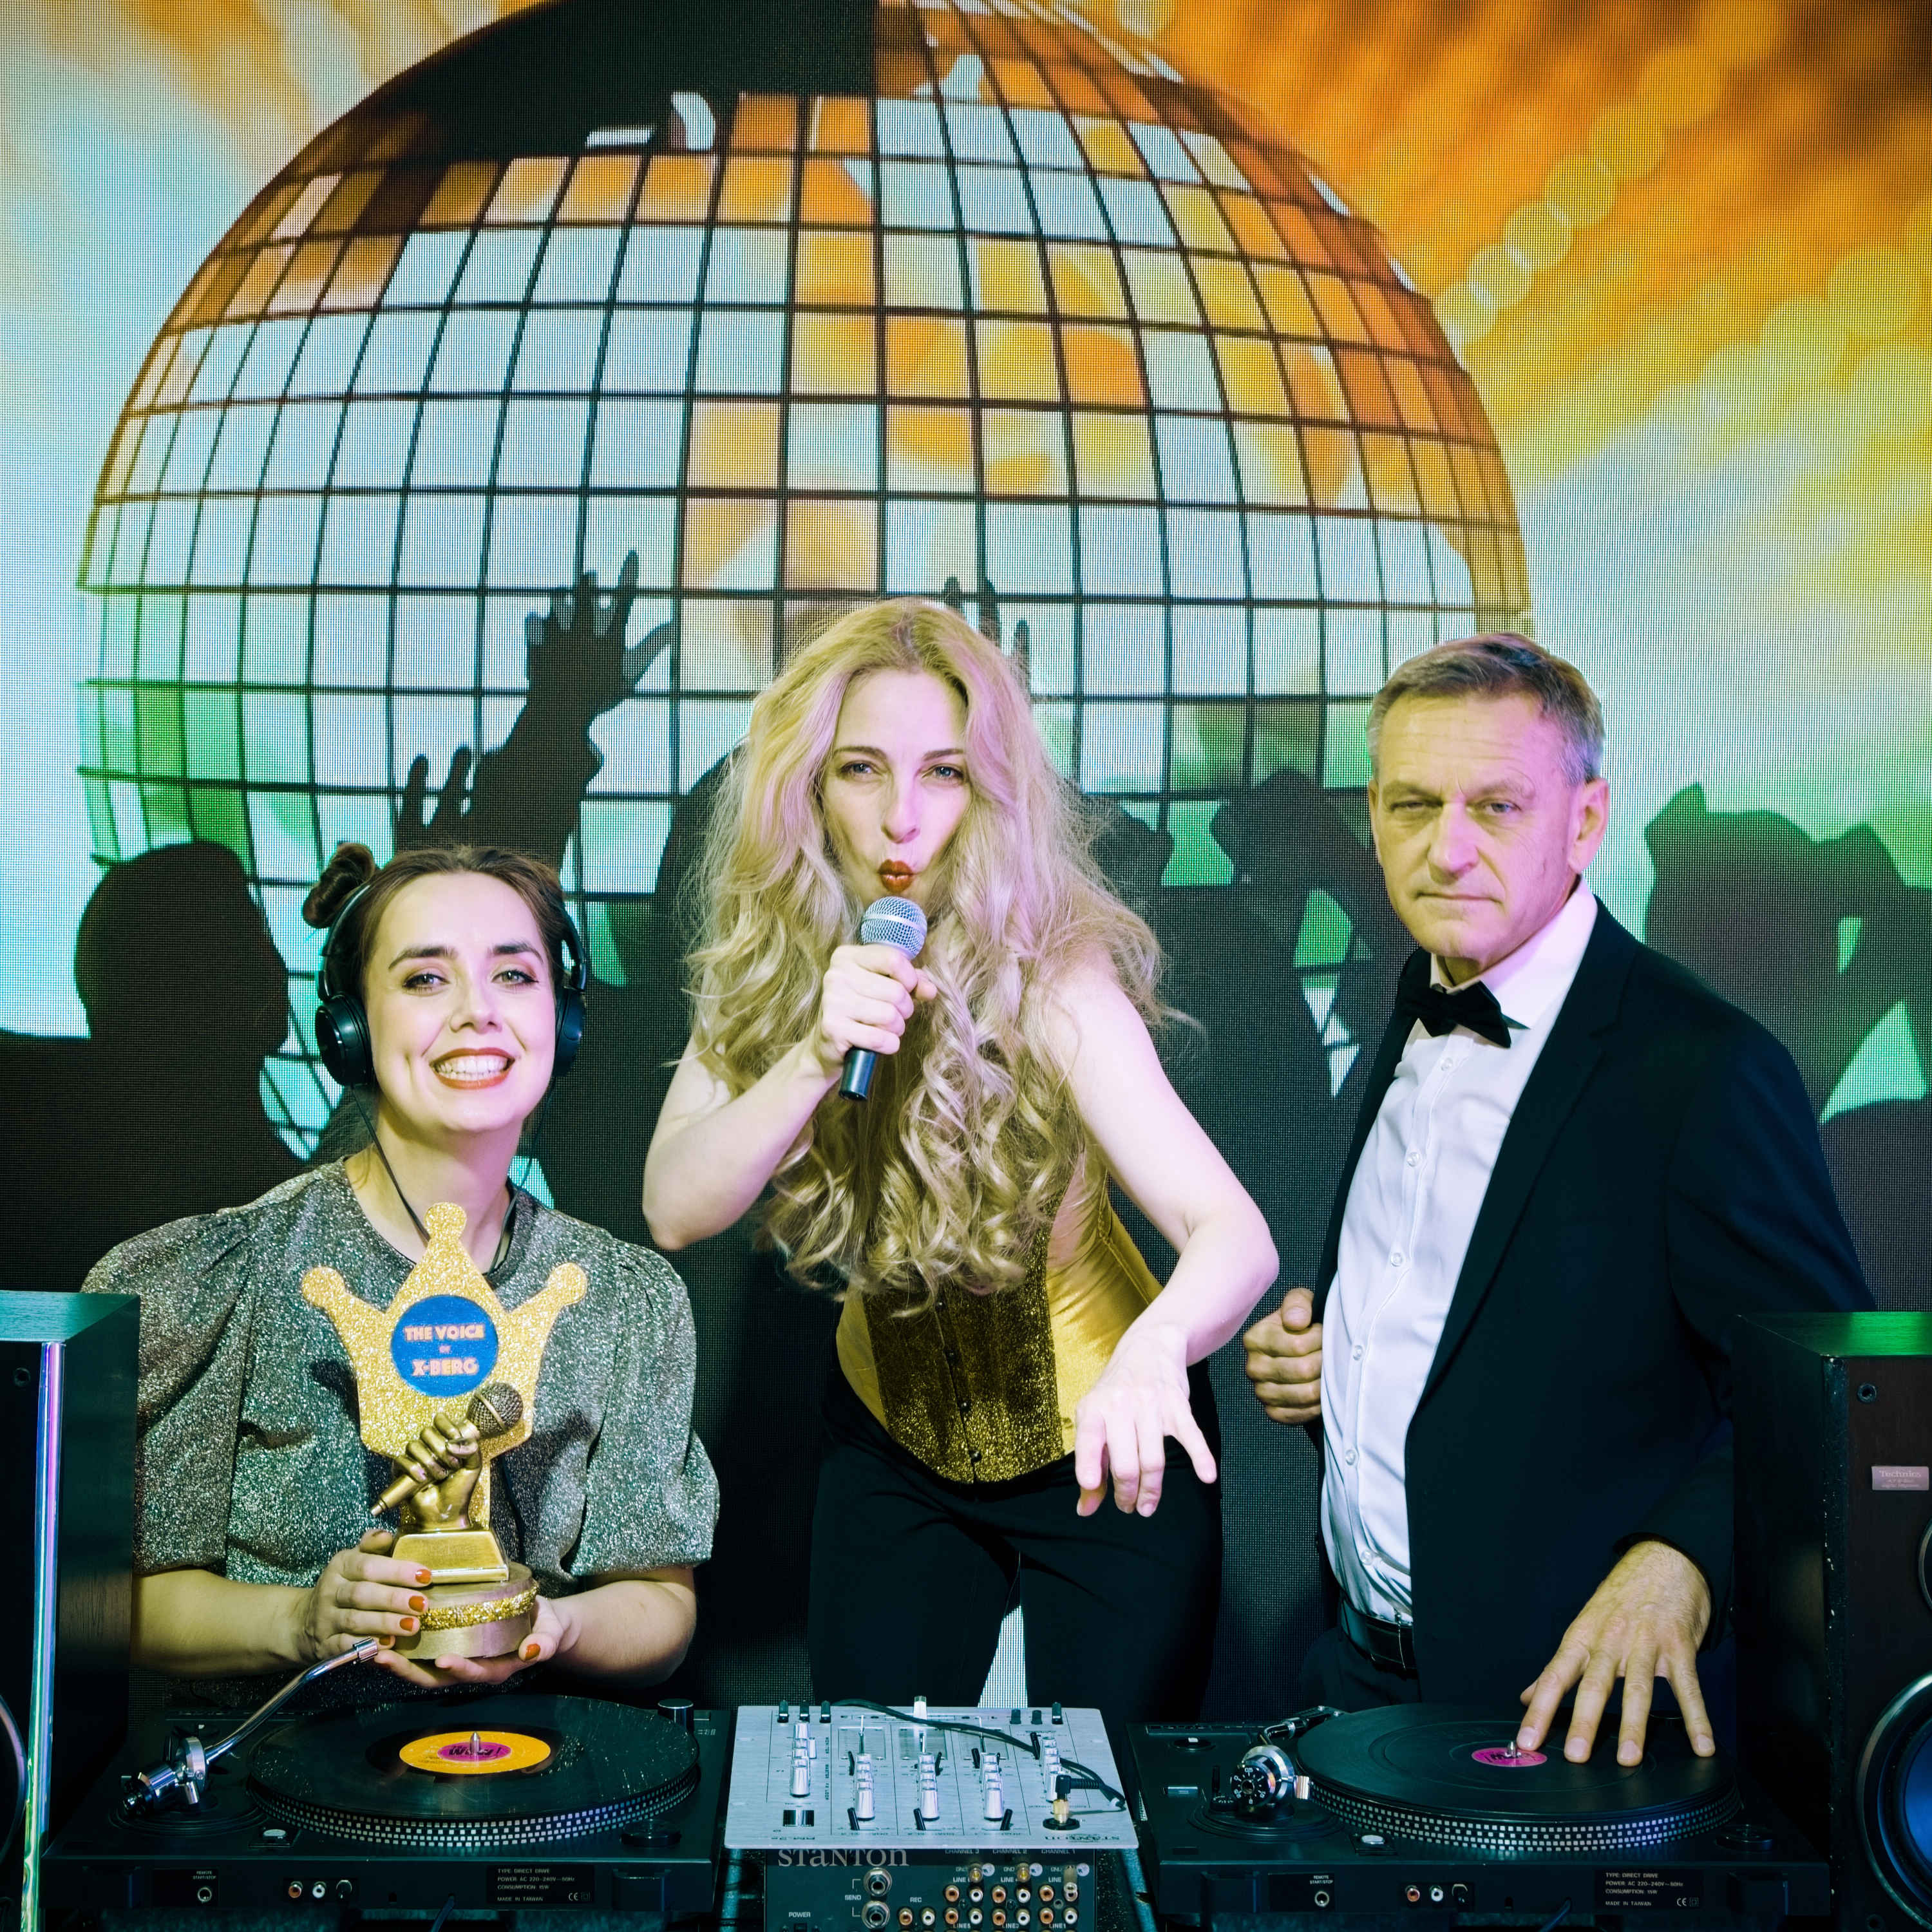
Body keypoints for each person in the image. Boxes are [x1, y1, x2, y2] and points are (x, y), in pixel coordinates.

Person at [643, 598, 1276, 1719]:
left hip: (1105, 1427)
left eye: (943, 773)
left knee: (1115, 1797)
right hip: (890, 1440)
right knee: (867, 1784)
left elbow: (1236, 1234)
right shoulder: (769, 962)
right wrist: (812, 1053)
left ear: (989, 790)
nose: (902, 817)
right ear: (809, 787)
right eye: (862, 770)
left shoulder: (1054, 972)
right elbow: (674, 1208)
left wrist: (1156, 1348)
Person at [1242, 634, 1868, 1765]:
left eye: (1496, 807)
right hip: (1355, 1688)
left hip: (1575, 1729)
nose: (1448, 850)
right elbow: (1491, 1328)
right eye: (1414, 805)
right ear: (1373, 813)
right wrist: (1333, 1368)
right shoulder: (1419, 992)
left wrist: (1682, 1563)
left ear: (1585, 822)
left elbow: (1832, 1398)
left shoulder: (1705, 1070)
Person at [84, 842, 717, 1705]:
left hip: (530, 1771)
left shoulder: (622, 1298)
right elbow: (119, 1605)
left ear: (562, 1020)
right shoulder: (231, 1276)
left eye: (514, 976)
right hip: (280, 1772)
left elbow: (660, 1607)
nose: (477, 1013)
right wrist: (301, 1620)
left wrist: (549, 1626)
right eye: (425, 980)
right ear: (350, 1030)